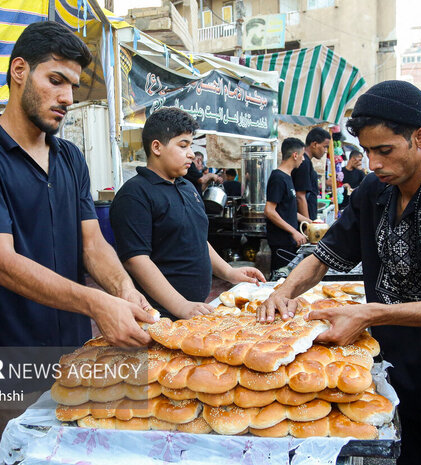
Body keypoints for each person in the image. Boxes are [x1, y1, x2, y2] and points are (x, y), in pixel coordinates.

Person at [258, 81, 421, 465]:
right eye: (367, 151)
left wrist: (372, 314)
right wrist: (283, 291)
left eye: (385, 150)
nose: (374, 162)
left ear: (419, 138)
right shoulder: (373, 190)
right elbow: (327, 254)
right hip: (407, 387)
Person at [0, 22, 155, 465]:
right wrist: (98, 302)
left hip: (75, 356)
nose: (67, 98)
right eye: (55, 80)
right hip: (8, 364)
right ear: (19, 71)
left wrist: (122, 288)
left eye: (73, 87)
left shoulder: (69, 157)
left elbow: (92, 242)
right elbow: (1, 263)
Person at [110, 107, 265, 320]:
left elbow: (198, 239)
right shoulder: (134, 194)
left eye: (190, 146)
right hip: (157, 316)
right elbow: (136, 260)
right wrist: (180, 305)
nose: (191, 153)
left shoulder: (188, 187)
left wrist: (229, 272)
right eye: (183, 145)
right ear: (157, 147)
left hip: (195, 309)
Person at [264, 138, 311, 272]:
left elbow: (286, 209)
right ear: (295, 155)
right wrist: (294, 232)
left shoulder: (287, 176)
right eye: (302, 156)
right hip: (281, 241)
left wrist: (308, 221)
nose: (303, 160)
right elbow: (269, 210)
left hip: (289, 241)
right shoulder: (278, 178)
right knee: (280, 278)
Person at [293, 127, 329, 220]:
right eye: (325, 146)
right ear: (315, 144)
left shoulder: (307, 162)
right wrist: (308, 225)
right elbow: (300, 196)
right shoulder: (303, 162)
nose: (325, 151)